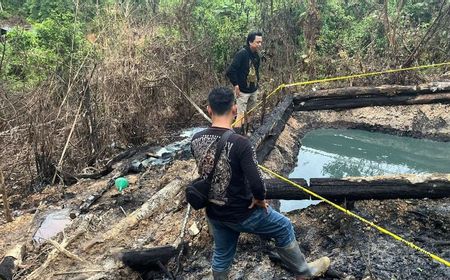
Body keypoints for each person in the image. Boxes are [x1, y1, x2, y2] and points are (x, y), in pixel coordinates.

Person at [190, 87, 330, 280]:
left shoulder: (196, 139)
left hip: (215, 212)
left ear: (209, 110)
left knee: (222, 253)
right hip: (242, 212)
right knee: (284, 226)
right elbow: (256, 182)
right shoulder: (241, 143)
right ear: (234, 109)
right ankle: (303, 273)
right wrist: (260, 199)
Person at [226, 31, 262, 134]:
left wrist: (257, 84)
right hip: (242, 91)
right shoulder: (242, 54)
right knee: (240, 114)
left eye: (260, 42)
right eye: (257, 42)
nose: (259, 44)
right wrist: (236, 85)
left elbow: (256, 71)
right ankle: (238, 135)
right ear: (250, 42)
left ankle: (247, 130)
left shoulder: (256, 56)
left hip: (253, 89)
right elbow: (230, 71)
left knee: (250, 112)